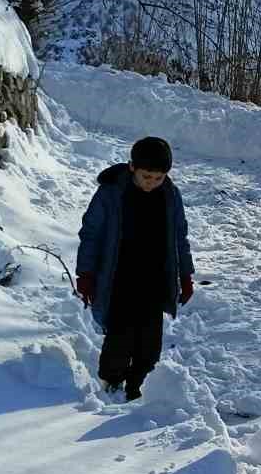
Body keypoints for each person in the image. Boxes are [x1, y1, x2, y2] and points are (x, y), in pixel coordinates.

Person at [75, 136, 195, 401]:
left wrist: (186, 275)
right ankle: (113, 382)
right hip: (119, 279)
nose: (151, 183)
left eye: (158, 178)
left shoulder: (170, 196)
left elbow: (180, 238)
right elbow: (91, 234)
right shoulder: (111, 193)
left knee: (150, 346)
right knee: (119, 339)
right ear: (132, 168)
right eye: (146, 177)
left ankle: (137, 386)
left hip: (154, 280)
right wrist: (86, 274)